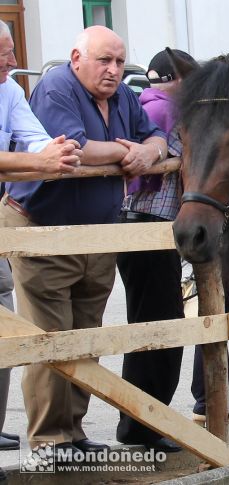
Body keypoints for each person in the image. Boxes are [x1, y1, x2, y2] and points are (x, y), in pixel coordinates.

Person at [5, 26, 166, 458]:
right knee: (51, 334)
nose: (114, 70)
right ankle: (48, 438)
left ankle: (74, 431)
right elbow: (73, 149)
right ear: (76, 58)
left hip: (99, 232)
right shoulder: (57, 86)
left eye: (119, 61)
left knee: (86, 334)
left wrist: (147, 152)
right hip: (44, 229)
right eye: (104, 61)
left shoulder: (124, 96)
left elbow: (156, 137)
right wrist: (123, 151)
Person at [0, 19, 82, 470]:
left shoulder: (9, 88)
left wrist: (60, 148)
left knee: (5, 325)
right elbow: (31, 155)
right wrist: (38, 160)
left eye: (12, 50)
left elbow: (33, 134)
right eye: (4, 53)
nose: (14, 61)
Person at [113, 49, 200, 452]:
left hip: (152, 228)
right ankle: (141, 425)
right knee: (156, 329)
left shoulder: (153, 107)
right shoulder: (161, 111)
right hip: (146, 227)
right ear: (177, 81)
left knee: (158, 326)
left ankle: (144, 421)